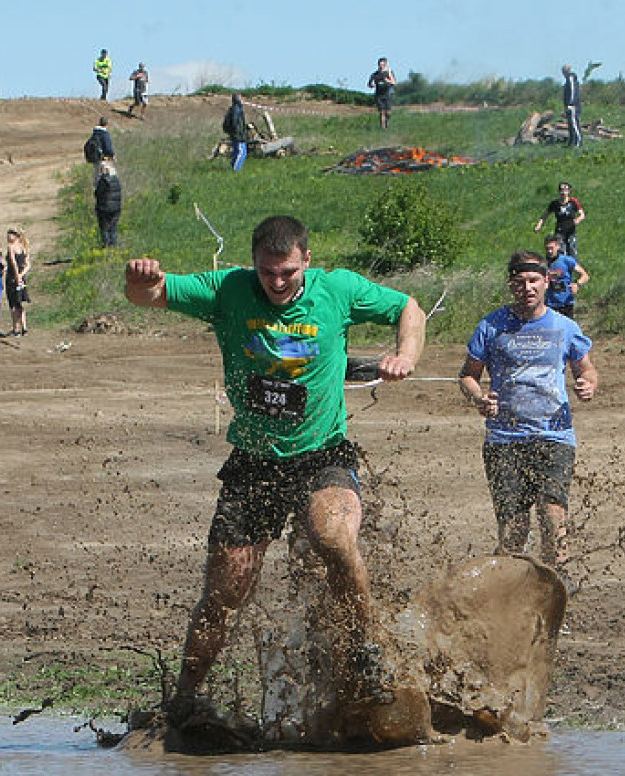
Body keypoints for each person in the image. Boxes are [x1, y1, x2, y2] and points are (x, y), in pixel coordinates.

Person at [124, 215, 426, 726]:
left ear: (306, 260)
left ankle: (365, 649)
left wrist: (405, 354)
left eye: (287, 271)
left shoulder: (339, 289)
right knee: (227, 590)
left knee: (334, 539)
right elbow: (148, 298)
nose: (278, 282)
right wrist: (140, 283)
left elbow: (409, 307)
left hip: (321, 454)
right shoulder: (228, 289)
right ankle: (186, 698)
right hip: (253, 462)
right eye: (268, 273)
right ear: (254, 264)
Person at [458, 249, 598, 585]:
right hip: (505, 440)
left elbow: (587, 368)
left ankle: (556, 596)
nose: (527, 288)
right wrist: (479, 397)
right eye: (520, 282)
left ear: (547, 282)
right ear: (511, 285)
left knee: (553, 518)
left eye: (534, 280)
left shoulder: (565, 327)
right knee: (513, 529)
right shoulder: (491, 326)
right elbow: (468, 375)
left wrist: (587, 384)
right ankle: (504, 597)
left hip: (554, 435)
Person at [533, 181, 585, 259]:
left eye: (566, 190)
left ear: (569, 191)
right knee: (561, 252)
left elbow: (582, 215)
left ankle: (571, 269)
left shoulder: (573, 202)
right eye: (562, 190)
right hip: (560, 231)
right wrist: (538, 225)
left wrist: (577, 220)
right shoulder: (555, 204)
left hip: (571, 231)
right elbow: (545, 215)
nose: (563, 193)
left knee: (572, 252)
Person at [542, 235, 589, 319]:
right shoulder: (543, 264)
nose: (549, 251)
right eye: (547, 248)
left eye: (551, 248)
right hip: (550, 304)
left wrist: (577, 284)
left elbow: (585, 275)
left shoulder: (566, 260)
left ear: (558, 247)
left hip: (566, 303)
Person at [5, 228, 31, 336]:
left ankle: (16, 329)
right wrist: (21, 275)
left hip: (12, 278)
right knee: (19, 303)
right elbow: (27, 265)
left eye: (10, 234)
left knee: (13, 304)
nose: (8, 237)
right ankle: (24, 327)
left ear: (15, 236)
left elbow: (13, 262)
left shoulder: (11, 247)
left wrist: (16, 276)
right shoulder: (24, 247)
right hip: (22, 278)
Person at [94, 159, 122, 246]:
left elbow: (97, 193)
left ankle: (106, 246)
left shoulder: (103, 180)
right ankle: (114, 246)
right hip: (116, 208)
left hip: (104, 208)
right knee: (113, 228)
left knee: (104, 229)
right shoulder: (116, 180)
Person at [222, 93, 250, 172]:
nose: (243, 100)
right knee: (242, 153)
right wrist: (240, 132)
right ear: (238, 99)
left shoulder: (233, 108)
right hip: (238, 135)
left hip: (235, 134)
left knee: (236, 151)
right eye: (241, 98)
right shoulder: (237, 109)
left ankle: (233, 166)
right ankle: (236, 170)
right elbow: (235, 123)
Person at [367, 58, 397, 130]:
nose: (381, 66)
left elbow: (394, 83)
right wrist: (371, 84)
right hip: (379, 95)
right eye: (380, 64)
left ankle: (387, 122)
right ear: (378, 65)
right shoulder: (374, 74)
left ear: (386, 64)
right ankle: (383, 128)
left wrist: (388, 80)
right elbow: (369, 84)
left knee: (388, 112)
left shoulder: (389, 73)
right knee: (381, 112)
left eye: (383, 64)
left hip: (388, 94)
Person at [562, 64, 582, 148]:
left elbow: (573, 92)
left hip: (573, 106)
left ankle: (579, 142)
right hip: (569, 106)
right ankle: (571, 142)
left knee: (574, 124)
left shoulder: (571, 78)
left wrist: (571, 103)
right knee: (570, 125)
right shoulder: (568, 79)